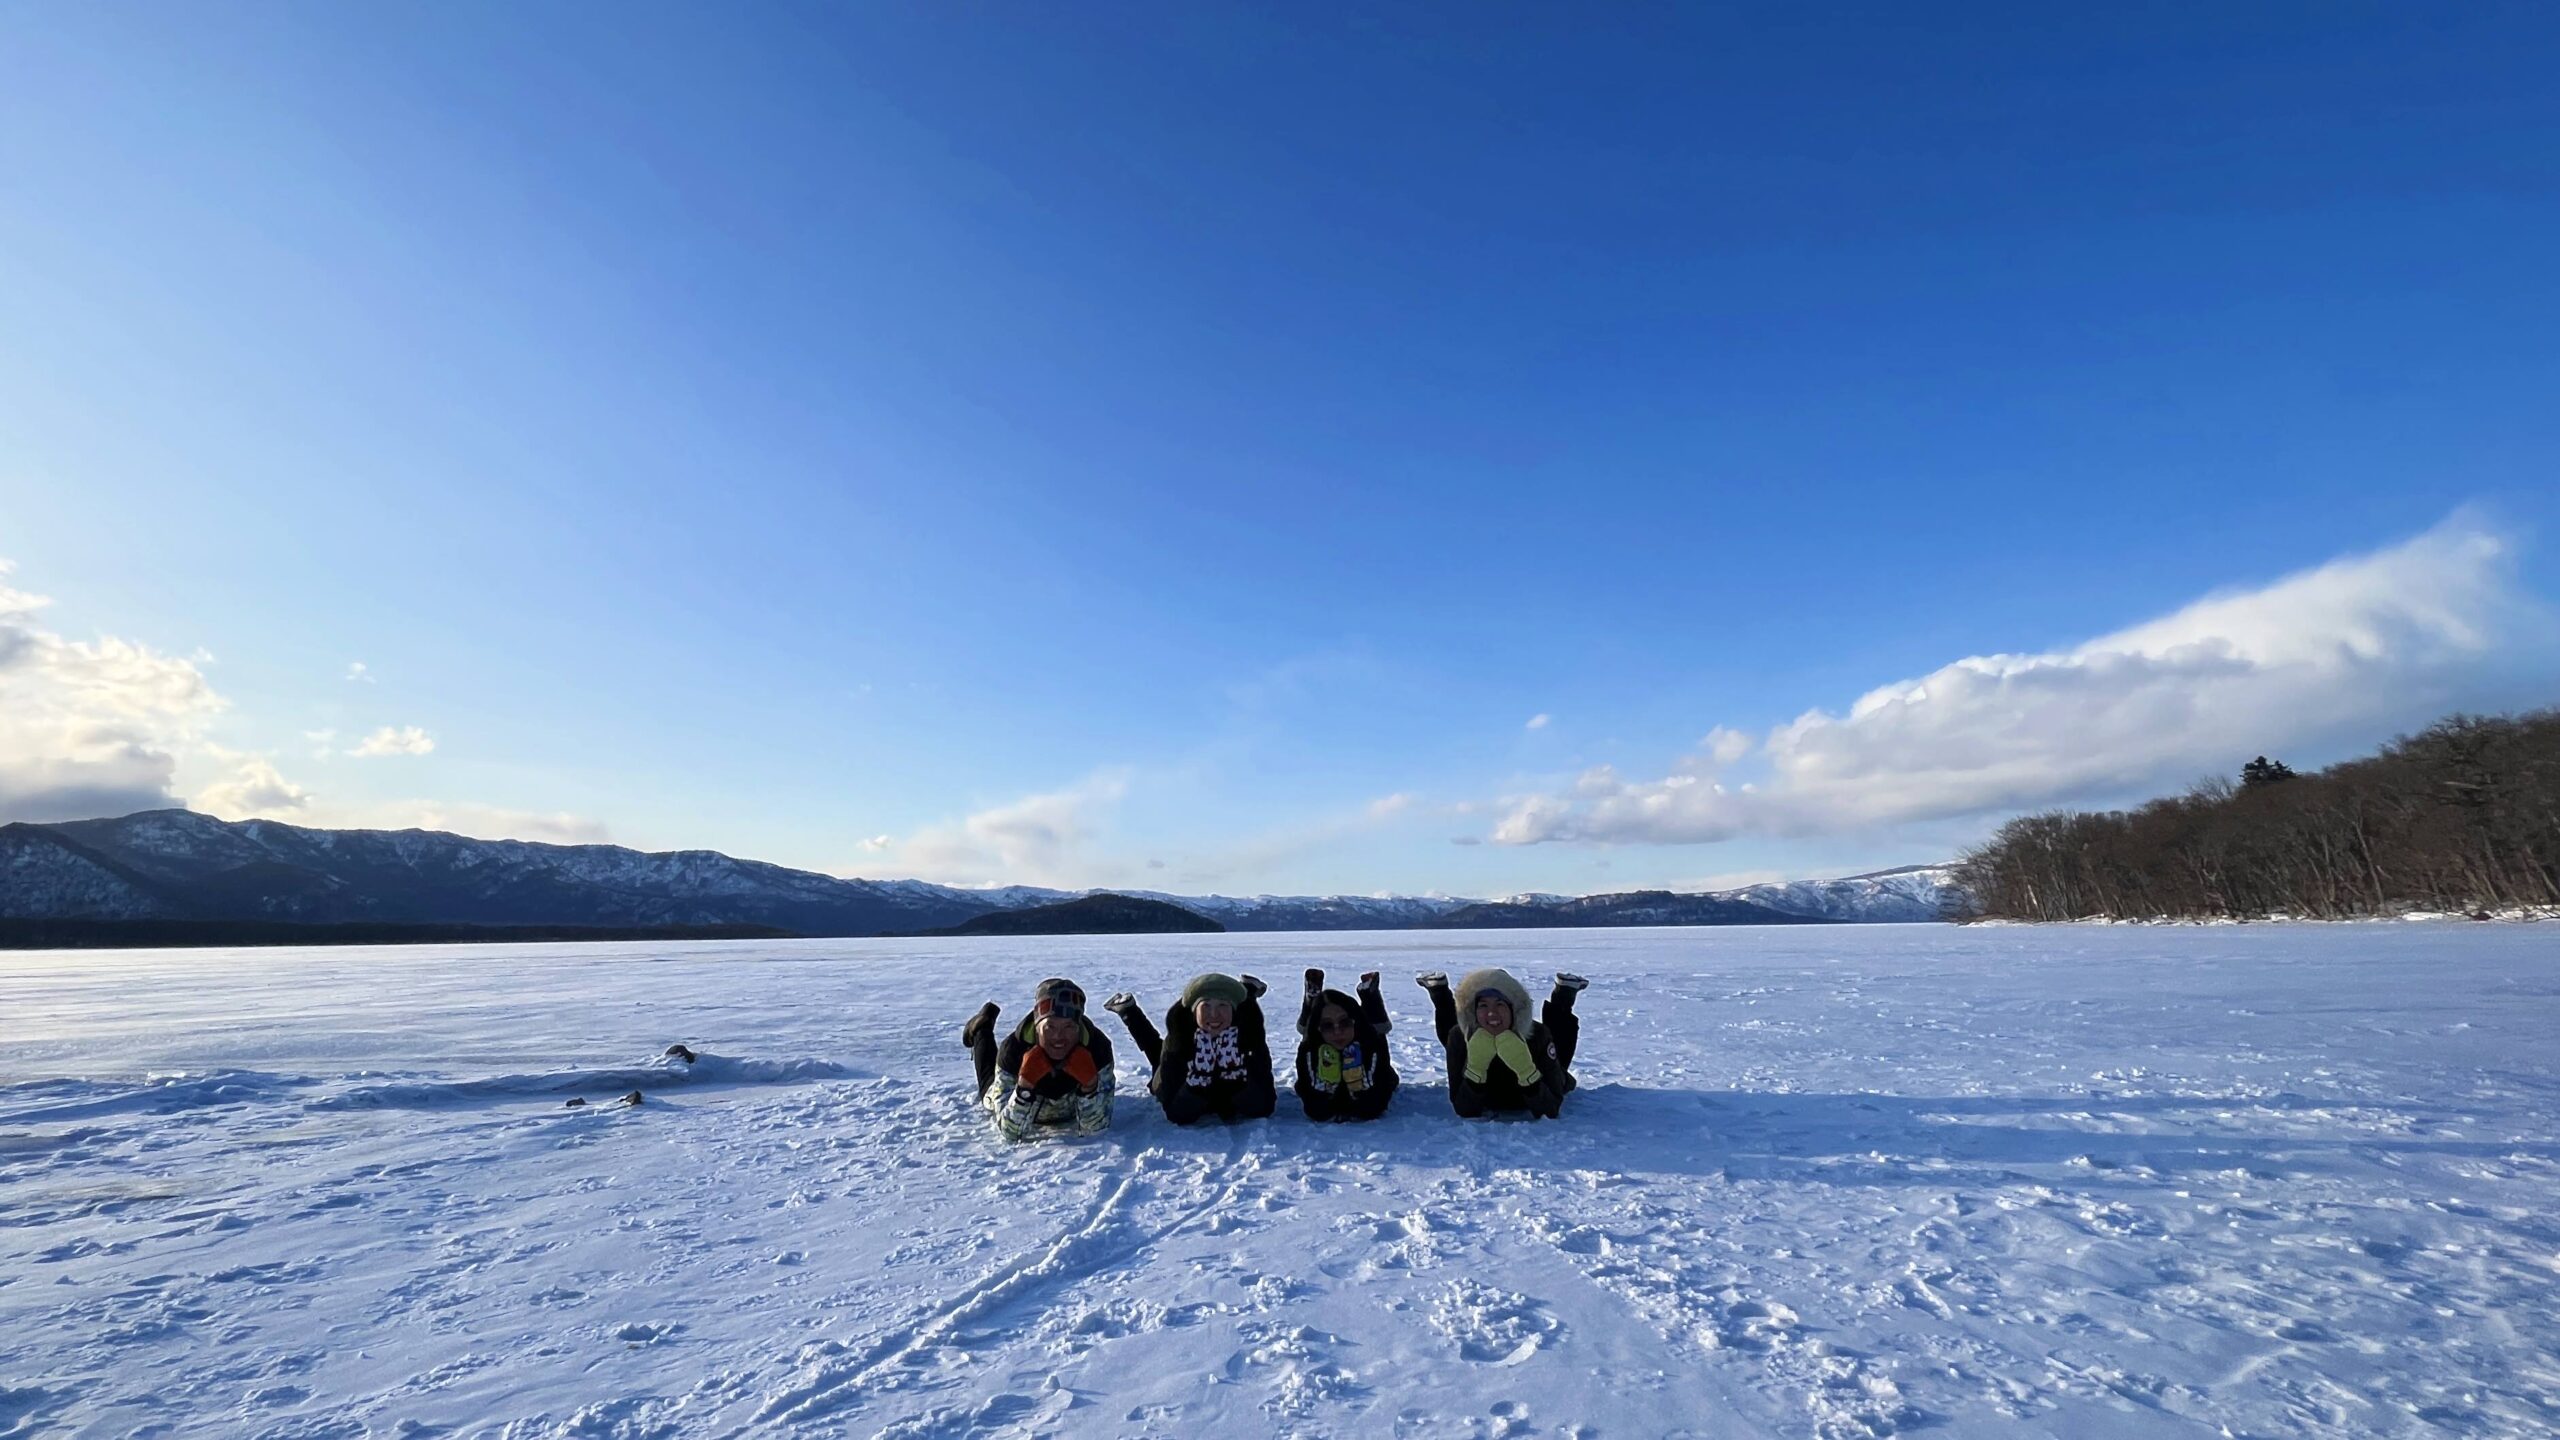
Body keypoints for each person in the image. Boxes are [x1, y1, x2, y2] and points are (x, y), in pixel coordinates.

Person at [1103, 973, 1277, 1125]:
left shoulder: (1249, 1033)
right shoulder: (1181, 1035)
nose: (1214, 1014)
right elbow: (1176, 1112)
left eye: (1223, 1006)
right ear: (1194, 1012)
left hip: (1241, 1021)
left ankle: (1248, 990)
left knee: (1245, 1006)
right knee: (1158, 1057)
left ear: (1233, 1010)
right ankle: (1128, 1011)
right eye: (1206, 1006)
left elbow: (1264, 1105)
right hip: (1181, 1061)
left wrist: (1237, 1078)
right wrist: (1196, 1084)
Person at [1415, 968, 1586, 1119]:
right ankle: (1440, 993)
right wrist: (1476, 1069)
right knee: (1458, 1029)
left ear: (1514, 1009)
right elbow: (1464, 1109)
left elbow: (1550, 1109)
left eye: (1500, 1004)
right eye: (1483, 1005)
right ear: (1474, 1012)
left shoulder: (1538, 1035)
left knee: (1559, 1062)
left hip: (1535, 1075)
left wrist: (1527, 1072)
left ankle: (1564, 995)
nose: (1492, 1013)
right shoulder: (1459, 1037)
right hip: (1485, 1085)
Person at [960, 976, 1115, 1141]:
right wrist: (1024, 1088)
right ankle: (981, 1028)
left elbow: (1095, 1129)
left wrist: (1090, 1088)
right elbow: (1010, 1132)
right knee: (988, 1095)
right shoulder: (1014, 1050)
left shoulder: (1098, 1048)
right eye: (1050, 1026)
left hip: (1068, 1107)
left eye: (1068, 1027)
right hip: (1021, 1093)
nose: (1058, 1037)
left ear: (1078, 1028)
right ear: (1037, 1025)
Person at [1294, 967, 1398, 1122]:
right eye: (1328, 1026)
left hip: (1366, 1036)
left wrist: (1358, 1089)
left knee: (1375, 1029)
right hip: (1316, 1038)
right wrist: (1328, 1088)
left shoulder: (1371, 1045)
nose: (1338, 1032)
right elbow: (1314, 1108)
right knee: (1310, 1028)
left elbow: (1376, 1103)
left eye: (1345, 1023)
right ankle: (1312, 1000)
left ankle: (1370, 996)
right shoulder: (1310, 1049)